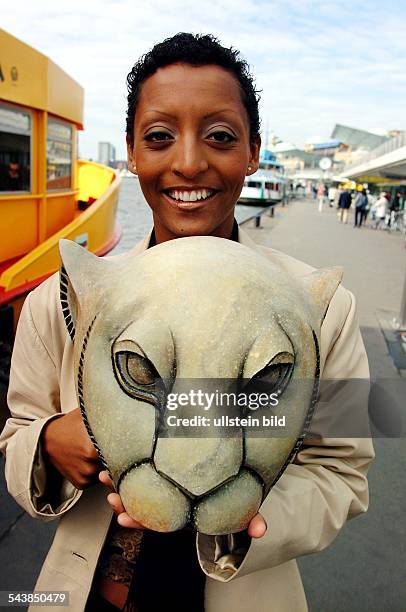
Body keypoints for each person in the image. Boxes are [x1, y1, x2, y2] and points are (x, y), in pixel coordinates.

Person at [0, 33, 374, 612]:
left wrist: (256, 509)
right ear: (131, 151)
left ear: (253, 151)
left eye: (221, 136)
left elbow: (343, 469)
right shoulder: (64, 298)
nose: (189, 161)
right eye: (158, 137)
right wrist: (49, 444)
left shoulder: (322, 309)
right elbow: (19, 428)